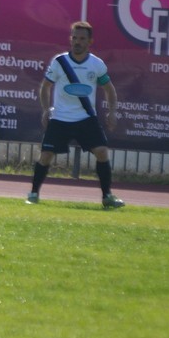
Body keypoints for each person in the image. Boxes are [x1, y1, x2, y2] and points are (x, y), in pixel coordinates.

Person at [26, 20, 124, 208]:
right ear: (70, 39)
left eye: (82, 39)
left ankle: (107, 197)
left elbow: (109, 89)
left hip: (86, 118)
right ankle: (33, 194)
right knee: (46, 155)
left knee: (102, 152)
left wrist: (112, 112)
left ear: (90, 42)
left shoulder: (96, 64)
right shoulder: (59, 62)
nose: (77, 42)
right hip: (60, 118)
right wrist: (46, 109)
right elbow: (45, 87)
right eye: (74, 38)